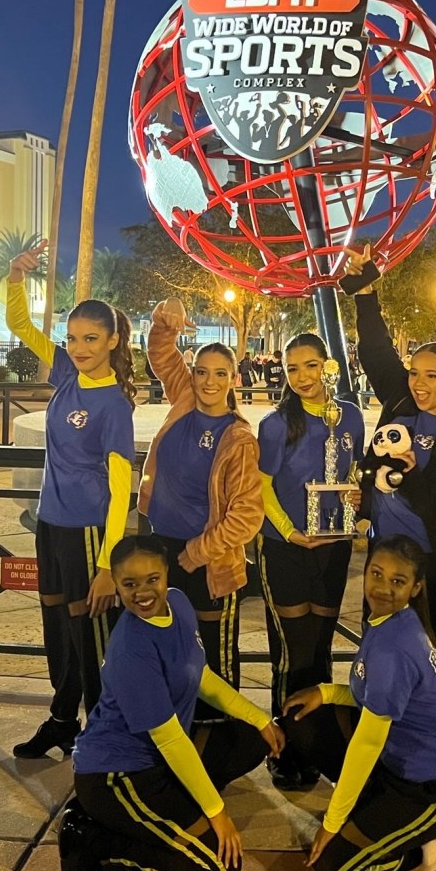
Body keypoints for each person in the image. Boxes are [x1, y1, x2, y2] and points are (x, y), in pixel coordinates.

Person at [60, 534, 284, 871]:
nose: (142, 592)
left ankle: (171, 812)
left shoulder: (177, 603)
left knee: (251, 737)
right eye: (129, 584)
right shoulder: (132, 650)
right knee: (219, 868)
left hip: (161, 759)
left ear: (166, 575)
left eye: (152, 579)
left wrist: (260, 718)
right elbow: (170, 740)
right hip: (119, 775)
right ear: (115, 584)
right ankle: (94, 840)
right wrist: (217, 813)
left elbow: (200, 675)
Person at [282, 535, 436, 871]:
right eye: (376, 574)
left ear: (415, 588)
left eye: (398, 581)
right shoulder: (391, 621)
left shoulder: (393, 647)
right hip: (401, 763)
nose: (383, 588)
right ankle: (402, 822)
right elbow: (376, 696)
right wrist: (325, 692)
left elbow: (367, 742)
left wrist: (332, 823)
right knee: (303, 719)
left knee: (337, 868)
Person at [5, 240, 135, 758]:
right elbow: (20, 325)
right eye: (73, 338)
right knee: (58, 629)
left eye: (91, 339)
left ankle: (103, 738)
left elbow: (122, 488)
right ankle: (63, 720)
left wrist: (107, 563)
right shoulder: (65, 373)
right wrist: (16, 278)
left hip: (88, 534)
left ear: (112, 341)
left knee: (92, 639)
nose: (79, 347)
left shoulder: (114, 405)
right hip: (51, 525)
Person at [342, 245, 436, 700]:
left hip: (431, 565)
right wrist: (365, 289)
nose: (419, 383)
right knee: (379, 647)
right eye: (416, 373)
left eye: (432, 376)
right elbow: (376, 349)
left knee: (434, 652)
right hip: (383, 555)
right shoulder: (400, 400)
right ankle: (381, 724)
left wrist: (414, 476)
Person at [139, 298, 263, 716]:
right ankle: (180, 732)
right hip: (162, 549)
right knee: (170, 650)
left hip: (210, 562)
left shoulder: (238, 439)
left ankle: (221, 738)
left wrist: (196, 553)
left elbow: (247, 516)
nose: (209, 382)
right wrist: (166, 314)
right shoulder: (184, 399)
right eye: (202, 372)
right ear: (192, 375)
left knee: (214, 660)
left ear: (234, 379)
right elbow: (160, 352)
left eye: (220, 374)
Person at [258, 333, 365, 789]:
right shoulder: (275, 424)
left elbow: (355, 469)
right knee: (291, 652)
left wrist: (356, 497)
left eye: (311, 366)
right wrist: (289, 531)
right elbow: (262, 487)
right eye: (292, 368)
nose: (302, 377)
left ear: (328, 366)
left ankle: (316, 741)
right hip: (286, 548)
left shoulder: (350, 416)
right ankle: (283, 748)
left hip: (333, 547)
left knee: (320, 648)